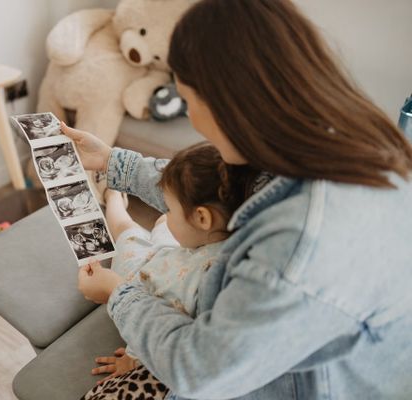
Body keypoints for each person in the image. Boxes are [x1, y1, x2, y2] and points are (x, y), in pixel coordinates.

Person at [62, 0, 412, 399]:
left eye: (187, 98)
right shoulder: (342, 142)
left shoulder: (299, 247)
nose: (190, 116)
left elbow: (198, 371)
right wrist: (113, 161)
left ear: (227, 103)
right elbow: (216, 187)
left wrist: (118, 295)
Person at [82, 143, 248, 398]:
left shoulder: (187, 288)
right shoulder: (233, 238)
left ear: (202, 218)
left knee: (126, 231)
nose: (166, 211)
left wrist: (131, 360)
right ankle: (122, 200)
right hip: (182, 252)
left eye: (169, 207)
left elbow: (156, 328)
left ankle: (113, 198)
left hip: (147, 271)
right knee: (162, 225)